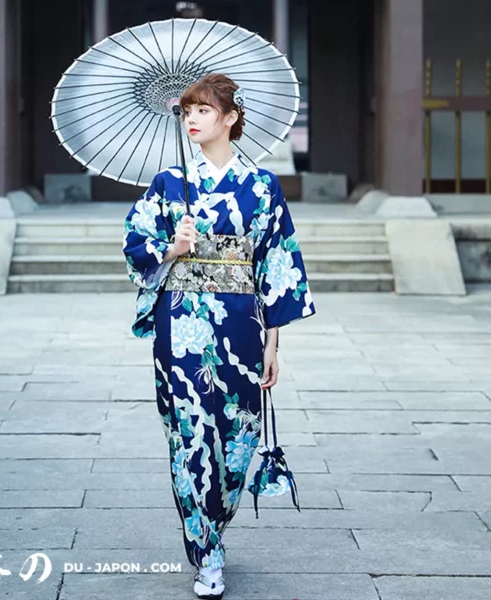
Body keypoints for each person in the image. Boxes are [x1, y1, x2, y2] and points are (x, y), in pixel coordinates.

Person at [122, 73, 316, 599]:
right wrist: (171, 248)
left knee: (237, 439)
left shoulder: (262, 186)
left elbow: (277, 264)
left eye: (203, 110)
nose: (191, 119)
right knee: (189, 435)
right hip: (180, 326)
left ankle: (218, 518)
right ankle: (206, 550)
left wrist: (274, 342)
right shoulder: (168, 183)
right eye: (186, 110)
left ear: (230, 118)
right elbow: (135, 243)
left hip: (241, 326)